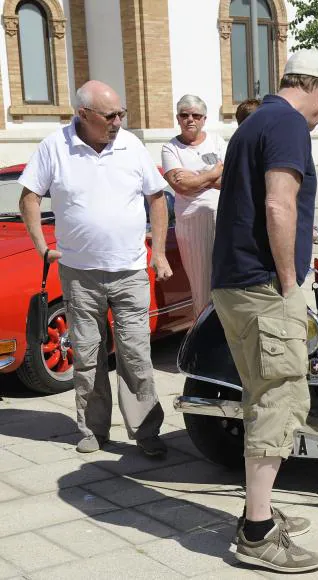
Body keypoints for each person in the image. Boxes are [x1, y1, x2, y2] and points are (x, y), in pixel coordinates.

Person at [211, 49, 318, 572]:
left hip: (235, 285)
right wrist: (291, 284)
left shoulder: (256, 122)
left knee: (261, 396)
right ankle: (256, 533)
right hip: (266, 290)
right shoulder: (290, 125)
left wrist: (317, 236)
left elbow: (254, 209)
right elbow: (277, 205)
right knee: (282, 399)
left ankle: (262, 509)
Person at [18, 80, 172, 456]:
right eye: (110, 115)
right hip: (79, 273)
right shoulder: (54, 146)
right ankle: (92, 429)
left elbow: (157, 199)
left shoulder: (131, 145)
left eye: (121, 113)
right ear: (83, 114)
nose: (118, 121)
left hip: (130, 271)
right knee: (87, 355)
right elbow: (29, 197)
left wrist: (160, 252)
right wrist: (41, 247)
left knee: (135, 353)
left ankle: (146, 430)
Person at [161, 95, 226, 318]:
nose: (190, 120)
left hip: (223, 219)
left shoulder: (217, 141)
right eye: (184, 115)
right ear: (177, 118)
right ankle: (203, 345)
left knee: (225, 283)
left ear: (204, 119)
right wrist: (211, 174)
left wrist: (196, 176)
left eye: (196, 115)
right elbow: (181, 186)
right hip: (191, 226)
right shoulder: (171, 148)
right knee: (201, 288)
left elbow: (227, 180)